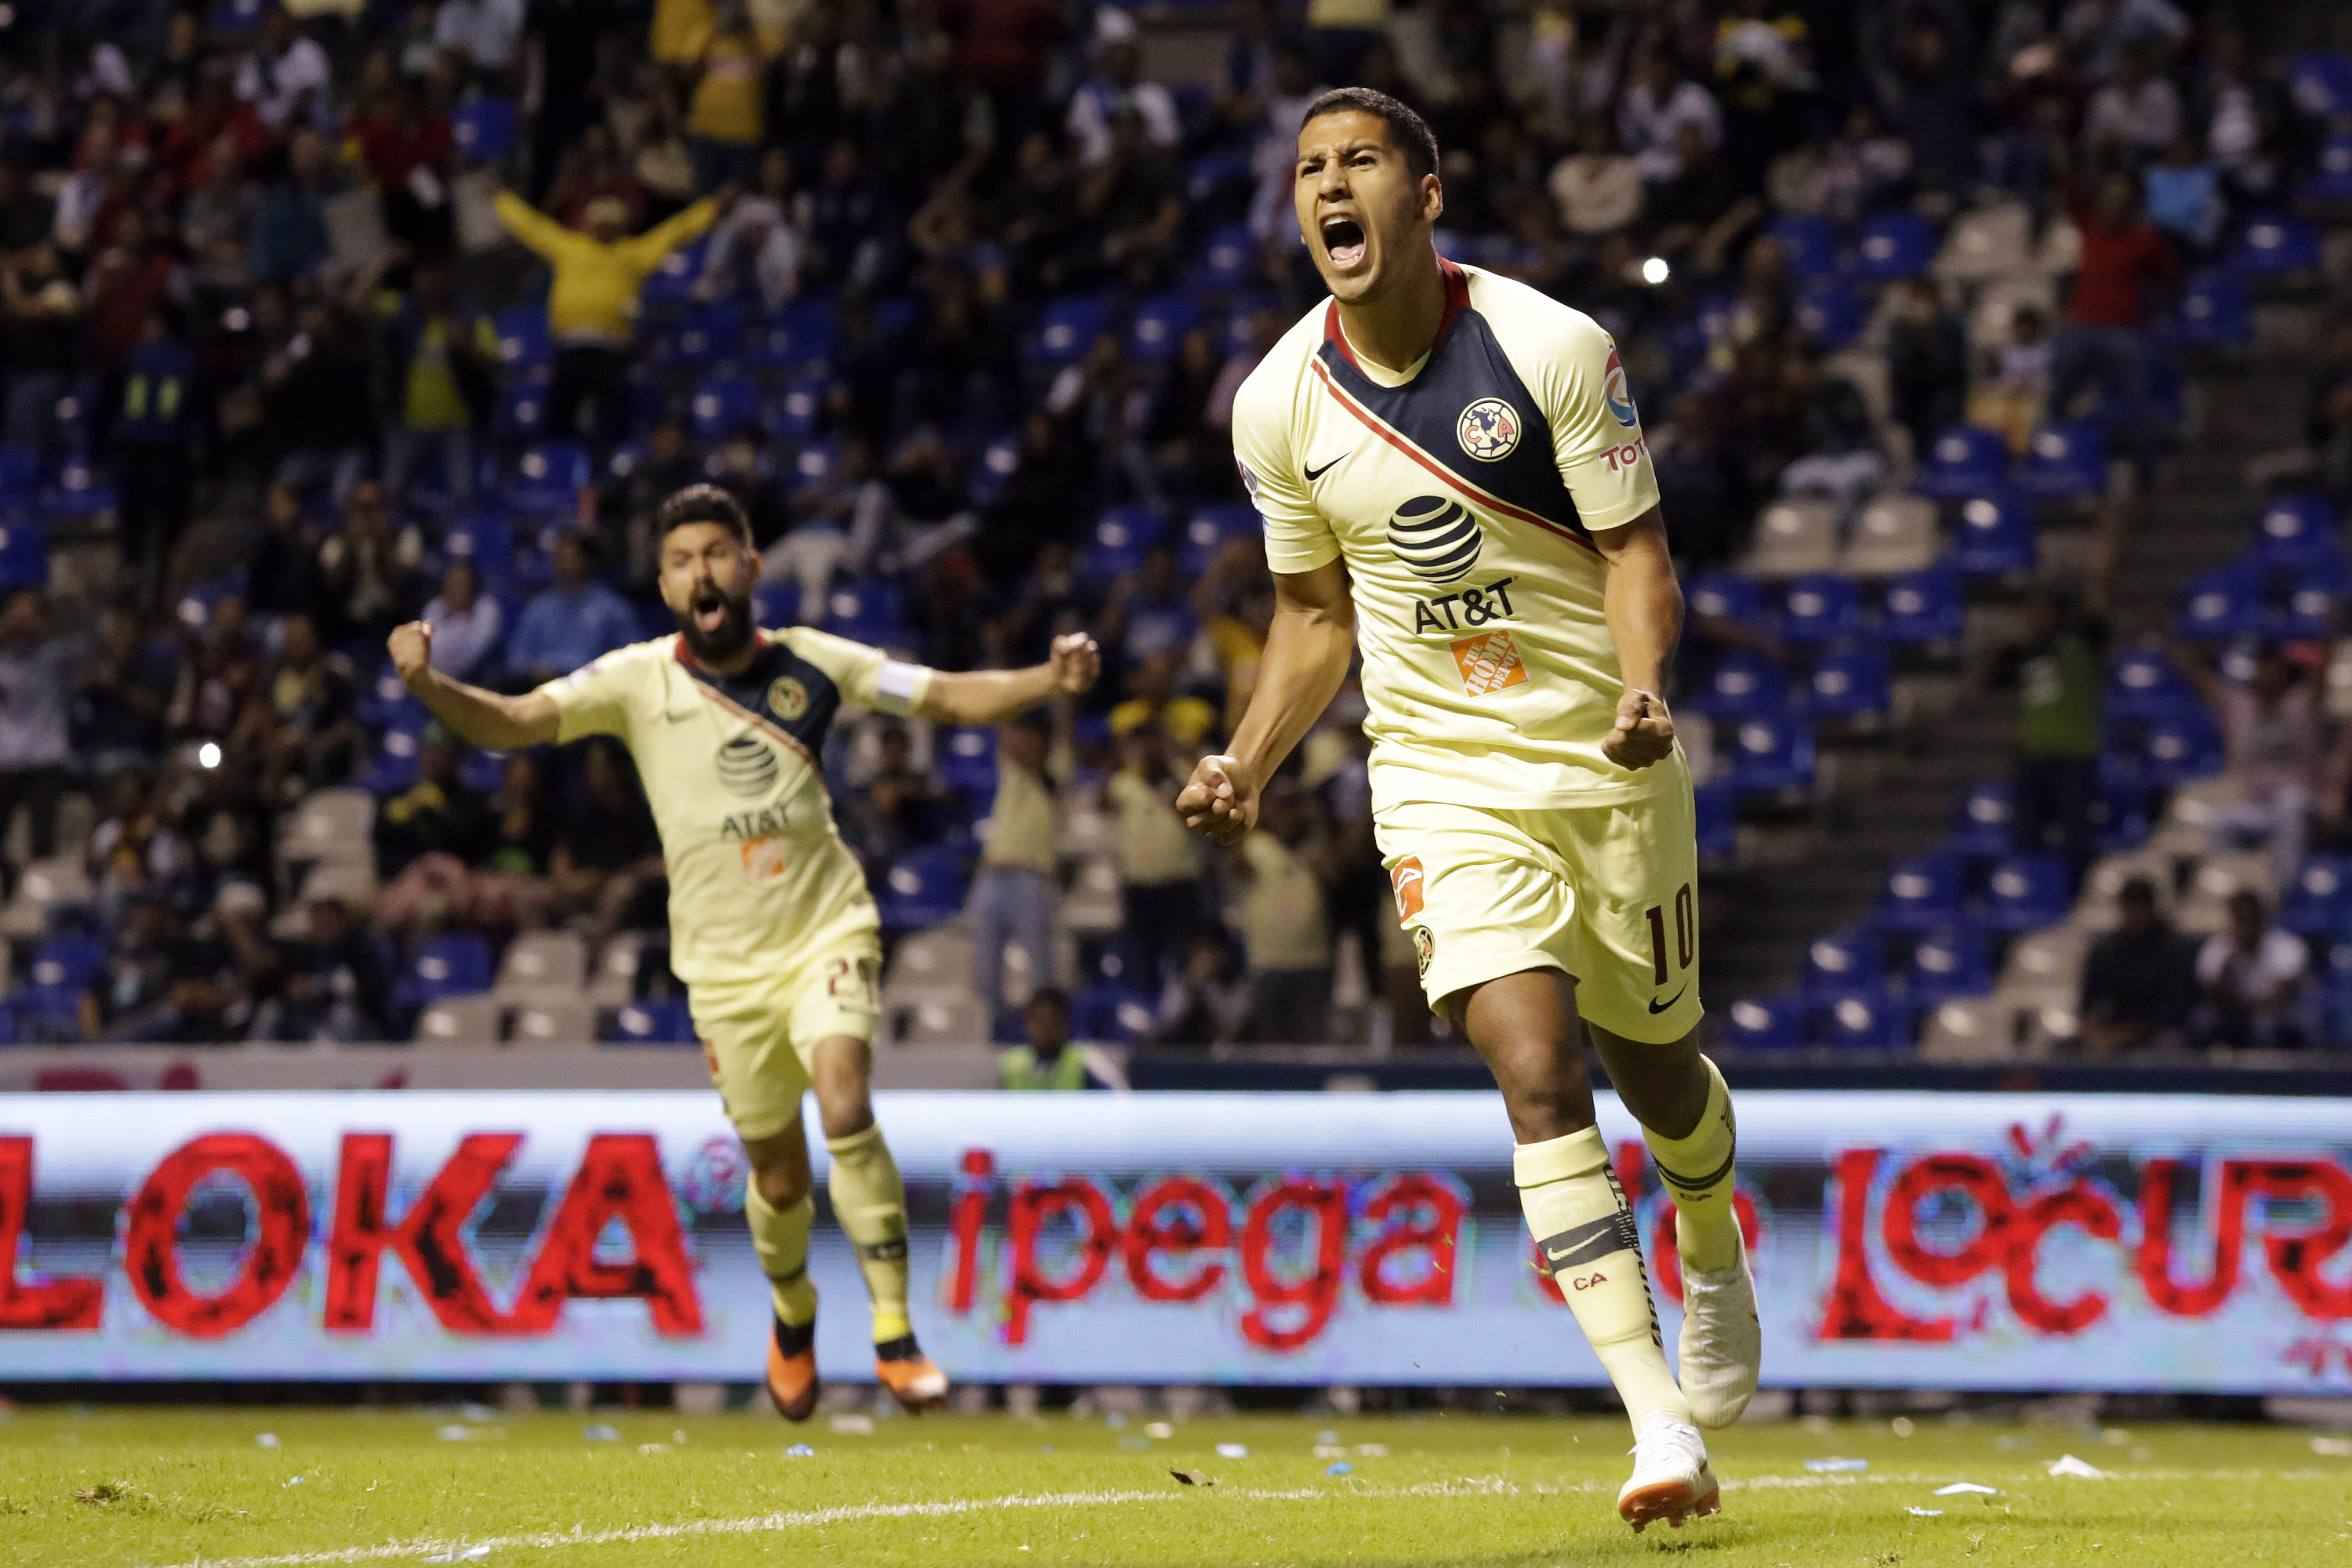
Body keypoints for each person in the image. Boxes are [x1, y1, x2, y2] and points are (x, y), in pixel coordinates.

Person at [1178, 88, 1752, 1530]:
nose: (1329, 186)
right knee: (1536, 1068)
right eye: (1308, 168)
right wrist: (1248, 758)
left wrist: (1641, 684)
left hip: (1605, 762)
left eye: (1359, 160)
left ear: (1428, 194)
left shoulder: (1551, 347)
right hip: (1443, 773)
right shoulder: (1276, 403)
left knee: (1659, 1068)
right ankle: (1656, 1421)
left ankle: (1707, 1232)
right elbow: (1310, 618)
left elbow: (1637, 550)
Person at [387, 483, 1099, 1420]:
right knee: (776, 1173)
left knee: (844, 1097)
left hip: (824, 930)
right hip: (723, 969)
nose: (703, 572)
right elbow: (514, 722)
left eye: (719, 553)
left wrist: (1047, 679)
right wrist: (428, 686)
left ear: (752, 566)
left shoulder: (812, 661)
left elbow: (941, 694)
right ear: (664, 582)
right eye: (683, 560)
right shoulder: (634, 680)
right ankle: (794, 1311)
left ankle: (894, 1330)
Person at [491, 185, 723, 448]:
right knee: (557, 416)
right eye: (600, 222)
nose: (605, 227)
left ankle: (612, 468)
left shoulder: (633, 254)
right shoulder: (571, 247)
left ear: (622, 225)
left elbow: (676, 231)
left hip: (610, 349)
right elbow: (532, 227)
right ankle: (557, 464)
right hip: (570, 346)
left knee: (613, 415)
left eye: (611, 223)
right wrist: (502, 199)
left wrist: (711, 207)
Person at [968, 712, 1061, 1040]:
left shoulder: (1056, 771)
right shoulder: (1009, 770)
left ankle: (1045, 1035)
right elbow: (1001, 724)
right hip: (992, 876)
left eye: (1029, 736)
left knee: (1040, 969)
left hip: (1032, 878)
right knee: (984, 970)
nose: (1019, 742)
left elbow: (1064, 724)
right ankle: (997, 1034)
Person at [506, 533, 641, 688]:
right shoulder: (540, 606)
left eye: (571, 558)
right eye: (560, 559)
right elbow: (517, 658)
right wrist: (535, 671)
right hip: (544, 690)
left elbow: (631, 655)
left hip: (595, 689)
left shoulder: (612, 607)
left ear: (588, 562)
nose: (565, 565)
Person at [2078, 877, 2195, 1054]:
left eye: (2140, 908)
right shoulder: (2106, 951)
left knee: (2169, 1044)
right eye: (2129, 908)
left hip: (2158, 1032)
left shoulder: (2175, 949)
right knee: (2064, 1048)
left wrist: (2125, 1034)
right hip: (2114, 1028)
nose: (2134, 915)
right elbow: (2088, 1003)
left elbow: (2173, 1008)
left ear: (2152, 909)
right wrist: (2094, 1035)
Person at [2192, 889, 2310, 1049]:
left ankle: (2267, 1073)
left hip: (2275, 1013)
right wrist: (2232, 961)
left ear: (2262, 917)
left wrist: (2247, 1006)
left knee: (2266, 1026)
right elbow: (2209, 992)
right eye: (2242, 919)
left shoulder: (2287, 945)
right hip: (2229, 1012)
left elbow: (2281, 995)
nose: (2247, 925)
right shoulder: (2217, 947)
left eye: (2252, 918)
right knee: (2202, 1021)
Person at [996, 986, 1129, 1091]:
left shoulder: (1088, 1063)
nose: (1045, 1029)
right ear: (1027, 1024)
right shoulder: (1012, 1065)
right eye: (1040, 1021)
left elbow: (1120, 1103)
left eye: (1053, 1022)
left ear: (1066, 1024)